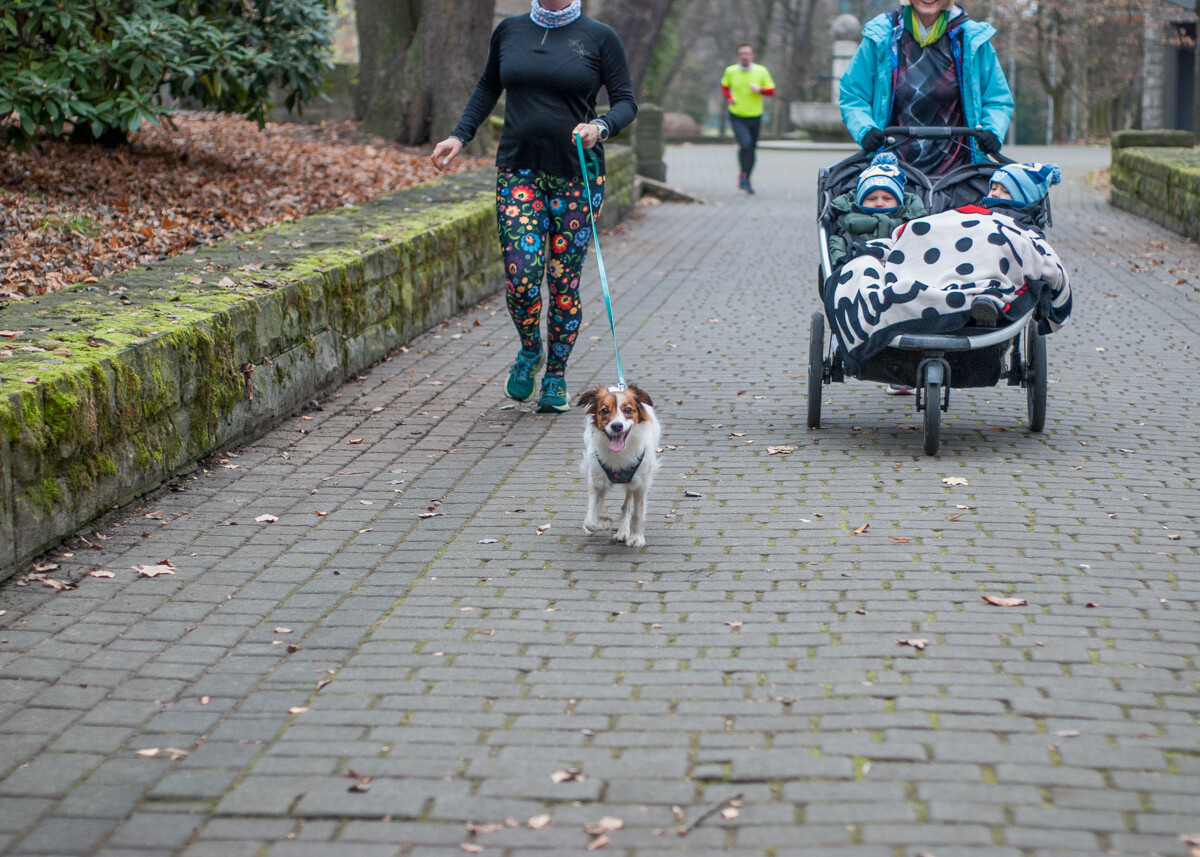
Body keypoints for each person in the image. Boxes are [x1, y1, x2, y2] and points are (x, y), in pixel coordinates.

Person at [430, 0, 636, 414]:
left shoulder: (599, 37)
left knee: (563, 283)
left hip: (577, 176)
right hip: (518, 171)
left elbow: (626, 102)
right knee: (521, 278)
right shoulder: (509, 30)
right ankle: (530, 351)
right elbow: (489, 86)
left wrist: (600, 126)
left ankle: (556, 376)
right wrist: (460, 135)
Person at [824, 162, 1070, 373]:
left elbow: (1044, 258)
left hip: (996, 243)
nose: (994, 193)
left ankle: (983, 298)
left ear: (1025, 199)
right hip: (953, 248)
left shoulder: (1024, 228)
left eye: (1004, 191)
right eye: (993, 187)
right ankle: (953, 294)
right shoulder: (978, 210)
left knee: (996, 249)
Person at [839, 0, 1014, 177]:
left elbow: (997, 99)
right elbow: (854, 94)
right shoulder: (882, 36)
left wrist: (992, 130)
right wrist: (865, 129)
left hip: (959, 174)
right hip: (891, 174)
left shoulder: (971, 38)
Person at [827, 152, 926, 270]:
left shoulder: (909, 222)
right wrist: (841, 263)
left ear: (899, 201)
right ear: (860, 201)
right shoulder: (847, 221)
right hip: (859, 270)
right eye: (871, 199)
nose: (879, 203)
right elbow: (837, 243)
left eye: (887, 198)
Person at [720, 44, 775, 194]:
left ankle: (746, 177)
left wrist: (761, 90)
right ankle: (744, 176)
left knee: (751, 148)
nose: (745, 56)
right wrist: (729, 97)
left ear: (752, 56)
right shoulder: (731, 71)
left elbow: (772, 90)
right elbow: (724, 86)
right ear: (738, 56)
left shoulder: (761, 71)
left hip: (755, 115)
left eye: (747, 53)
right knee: (745, 144)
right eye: (742, 53)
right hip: (737, 114)